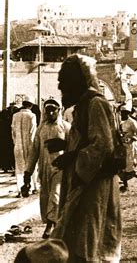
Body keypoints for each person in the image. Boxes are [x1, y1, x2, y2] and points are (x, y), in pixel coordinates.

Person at [50, 54, 121, 262]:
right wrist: (65, 146)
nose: (61, 87)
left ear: (76, 81)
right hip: (84, 183)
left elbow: (102, 146)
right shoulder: (83, 106)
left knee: (90, 243)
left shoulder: (95, 104)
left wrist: (71, 157)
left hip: (94, 187)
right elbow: (88, 140)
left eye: (64, 82)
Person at [24, 98, 71, 239]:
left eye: (53, 110)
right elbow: (34, 151)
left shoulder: (66, 127)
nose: (50, 112)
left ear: (59, 110)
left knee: (56, 196)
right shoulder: (41, 129)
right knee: (45, 197)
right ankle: (56, 225)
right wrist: (28, 171)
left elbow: (73, 148)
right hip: (44, 169)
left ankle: (50, 226)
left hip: (60, 170)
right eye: (48, 109)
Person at [11, 95, 38, 197]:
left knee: (19, 167)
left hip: (17, 145)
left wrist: (16, 142)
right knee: (31, 166)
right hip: (29, 145)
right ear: (31, 105)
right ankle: (33, 187)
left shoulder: (15, 116)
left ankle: (19, 189)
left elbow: (13, 132)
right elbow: (33, 133)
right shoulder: (32, 116)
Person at [119, 105, 137, 192]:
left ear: (127, 113)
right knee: (123, 166)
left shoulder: (132, 122)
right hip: (124, 145)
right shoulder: (122, 122)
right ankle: (126, 186)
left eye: (123, 113)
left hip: (131, 146)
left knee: (128, 166)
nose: (122, 115)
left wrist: (132, 138)